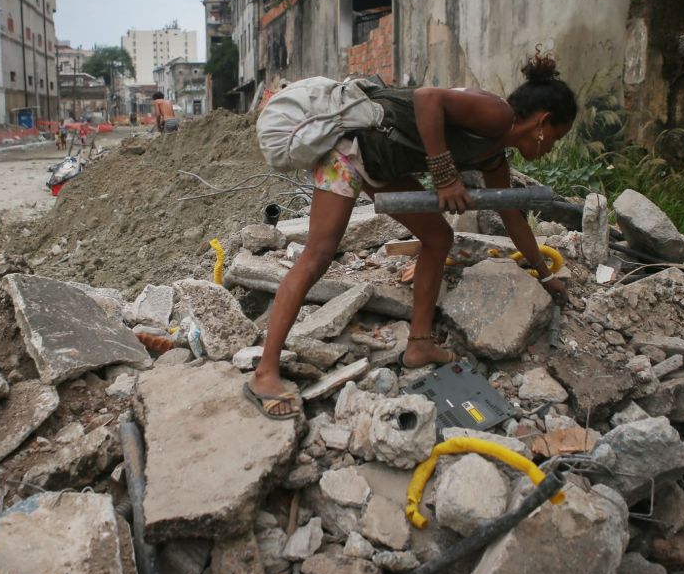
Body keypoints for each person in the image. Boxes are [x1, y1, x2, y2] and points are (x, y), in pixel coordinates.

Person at [243, 50, 577, 420]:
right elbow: (427, 99)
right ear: (543, 122)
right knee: (318, 255)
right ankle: (265, 372)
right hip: (350, 151)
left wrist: (545, 274)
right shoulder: (497, 115)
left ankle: (419, 343)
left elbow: (512, 219)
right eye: (555, 139)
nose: (550, 149)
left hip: (381, 163)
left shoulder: (494, 157)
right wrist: (445, 176)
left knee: (438, 238)